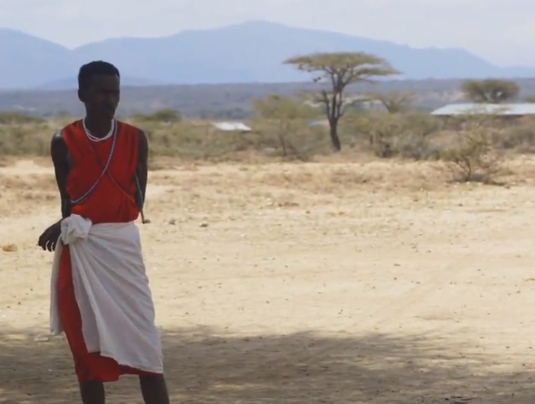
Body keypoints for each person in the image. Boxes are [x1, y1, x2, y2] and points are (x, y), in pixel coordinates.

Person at [37, 61, 170, 404]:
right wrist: (70, 222)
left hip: (122, 248)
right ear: (82, 94)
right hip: (83, 251)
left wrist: (95, 217)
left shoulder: (134, 138)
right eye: (101, 93)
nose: (109, 101)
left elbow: (137, 198)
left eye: (115, 93)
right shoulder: (63, 140)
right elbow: (68, 200)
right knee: (86, 346)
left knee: (145, 345)